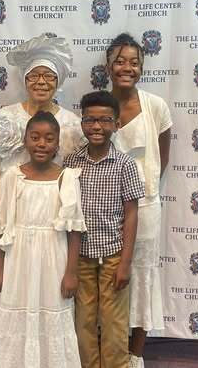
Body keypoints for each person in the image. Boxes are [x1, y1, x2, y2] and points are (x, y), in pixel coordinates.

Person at [0, 33, 84, 367]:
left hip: (52, 229)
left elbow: (77, 173)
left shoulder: (71, 123)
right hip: (10, 226)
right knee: (8, 295)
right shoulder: (5, 118)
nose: (41, 82)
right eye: (34, 76)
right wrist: (9, 213)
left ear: (58, 81)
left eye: (48, 76)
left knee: (49, 296)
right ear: (24, 80)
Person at [0, 111, 85, 367]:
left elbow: (75, 230)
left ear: (57, 144)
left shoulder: (67, 178)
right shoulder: (12, 176)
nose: (42, 144)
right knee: (16, 313)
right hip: (19, 260)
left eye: (49, 139)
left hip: (54, 260)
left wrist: (71, 272)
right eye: (35, 137)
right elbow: (2, 226)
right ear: (25, 140)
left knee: (52, 313)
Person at [64, 91, 144, 368]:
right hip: (81, 257)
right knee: (82, 321)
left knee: (114, 322)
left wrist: (125, 263)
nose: (97, 126)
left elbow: (132, 214)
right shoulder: (71, 162)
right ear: (82, 123)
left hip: (113, 256)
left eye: (105, 120)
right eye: (90, 120)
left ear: (117, 124)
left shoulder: (125, 164)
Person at [107, 33, 172, 368]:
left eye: (134, 62)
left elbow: (162, 158)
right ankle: (111, 350)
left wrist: (143, 192)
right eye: (119, 61)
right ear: (108, 67)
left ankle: (135, 355)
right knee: (109, 276)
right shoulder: (99, 106)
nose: (127, 68)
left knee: (142, 277)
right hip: (105, 210)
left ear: (142, 68)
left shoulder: (156, 106)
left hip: (145, 208)